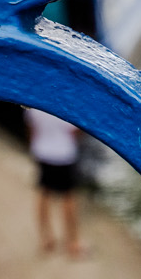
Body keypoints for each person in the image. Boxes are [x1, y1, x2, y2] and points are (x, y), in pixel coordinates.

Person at [24, 104, 87, 257]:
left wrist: (35, 146)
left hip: (42, 152)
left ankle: (46, 238)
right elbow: (76, 130)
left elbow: (31, 125)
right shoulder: (67, 103)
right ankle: (73, 242)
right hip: (63, 154)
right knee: (68, 197)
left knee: (44, 193)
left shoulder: (36, 102)